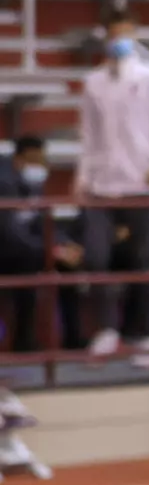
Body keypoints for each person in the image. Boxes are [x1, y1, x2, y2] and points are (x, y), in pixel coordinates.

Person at [76, 4, 149, 367]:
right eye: (114, 34)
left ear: (135, 35)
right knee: (95, 257)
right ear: (105, 36)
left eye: (126, 33)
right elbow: (88, 136)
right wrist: (82, 177)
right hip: (103, 186)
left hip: (142, 184)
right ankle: (106, 328)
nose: (120, 40)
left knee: (145, 261)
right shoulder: (93, 82)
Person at [1, 137, 83, 354]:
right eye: (34, 159)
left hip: (25, 251)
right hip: (6, 251)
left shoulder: (34, 185)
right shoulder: (3, 183)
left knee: (69, 265)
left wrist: (63, 244)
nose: (39, 164)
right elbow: (9, 235)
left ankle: (73, 339)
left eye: (41, 159)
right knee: (27, 266)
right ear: (20, 158)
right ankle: (23, 344)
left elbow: (43, 224)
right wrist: (51, 251)